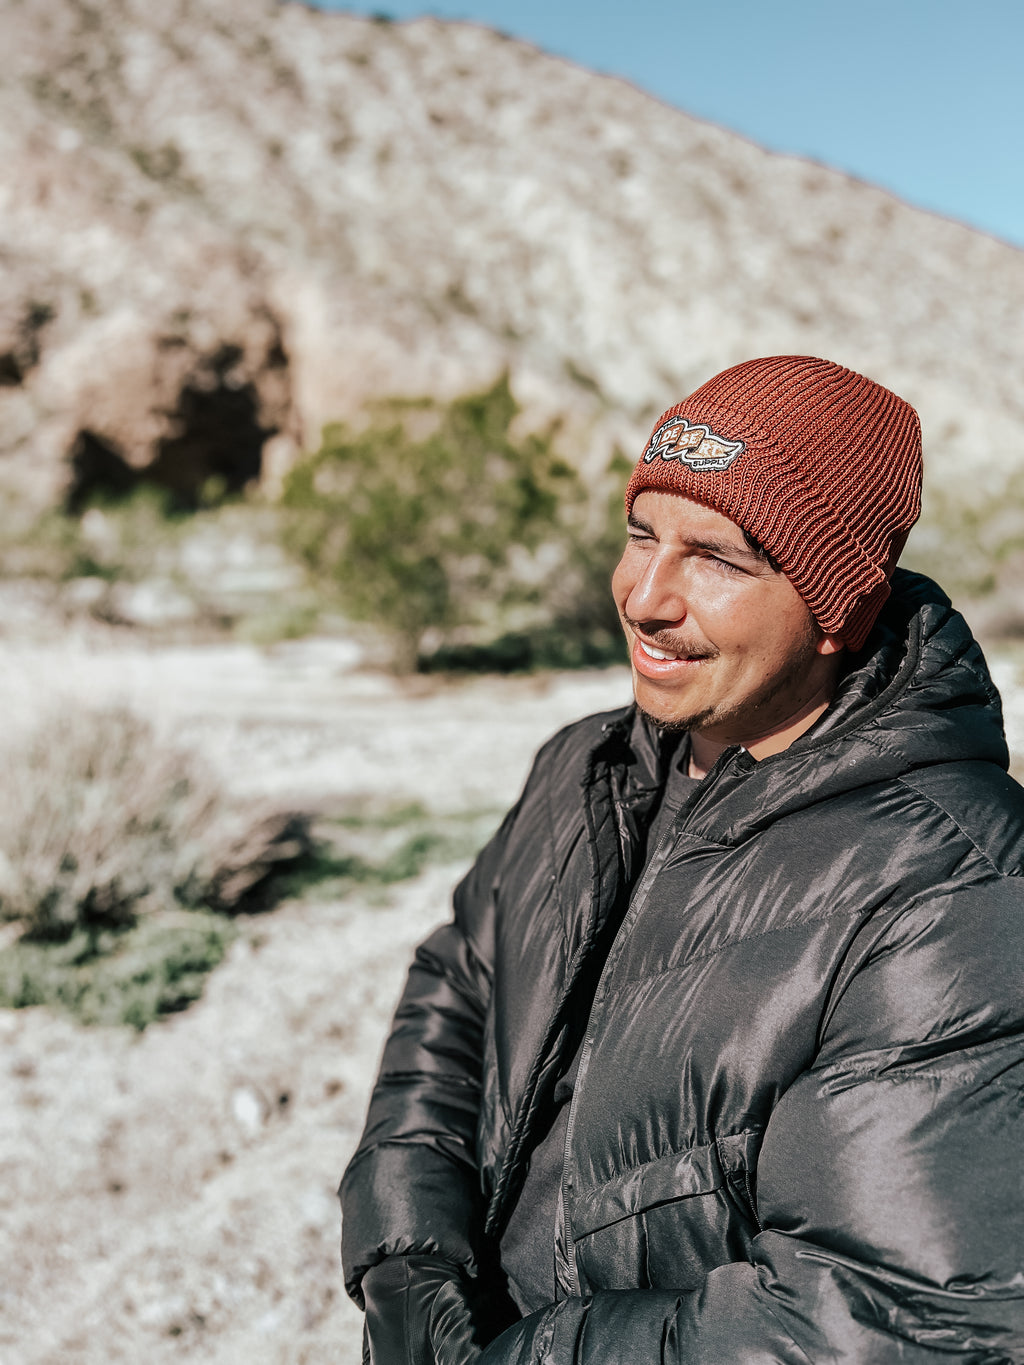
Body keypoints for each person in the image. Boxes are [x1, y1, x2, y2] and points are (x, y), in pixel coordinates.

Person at [339, 355, 1024, 1363]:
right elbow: (457, 988)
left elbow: (885, 1318)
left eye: (716, 558)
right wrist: (409, 1269)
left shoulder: (950, 884)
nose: (644, 595)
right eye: (638, 535)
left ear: (841, 610)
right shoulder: (587, 765)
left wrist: (517, 1356)